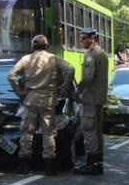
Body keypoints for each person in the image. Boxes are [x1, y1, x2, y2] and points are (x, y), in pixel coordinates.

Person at [8, 34, 75, 176]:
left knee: (27, 132)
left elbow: (11, 75)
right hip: (48, 100)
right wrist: (64, 86)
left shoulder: (26, 59)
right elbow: (70, 69)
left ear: (33, 46)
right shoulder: (53, 58)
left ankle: (24, 165)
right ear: (47, 46)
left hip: (30, 99)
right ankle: (49, 166)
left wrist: (19, 92)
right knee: (48, 133)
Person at [74, 28, 109, 175]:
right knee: (97, 131)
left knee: (89, 131)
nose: (81, 42)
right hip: (99, 99)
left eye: (83, 39)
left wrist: (78, 90)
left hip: (90, 98)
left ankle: (91, 164)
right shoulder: (102, 53)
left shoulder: (92, 54)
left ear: (92, 39)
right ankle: (98, 163)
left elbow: (88, 78)